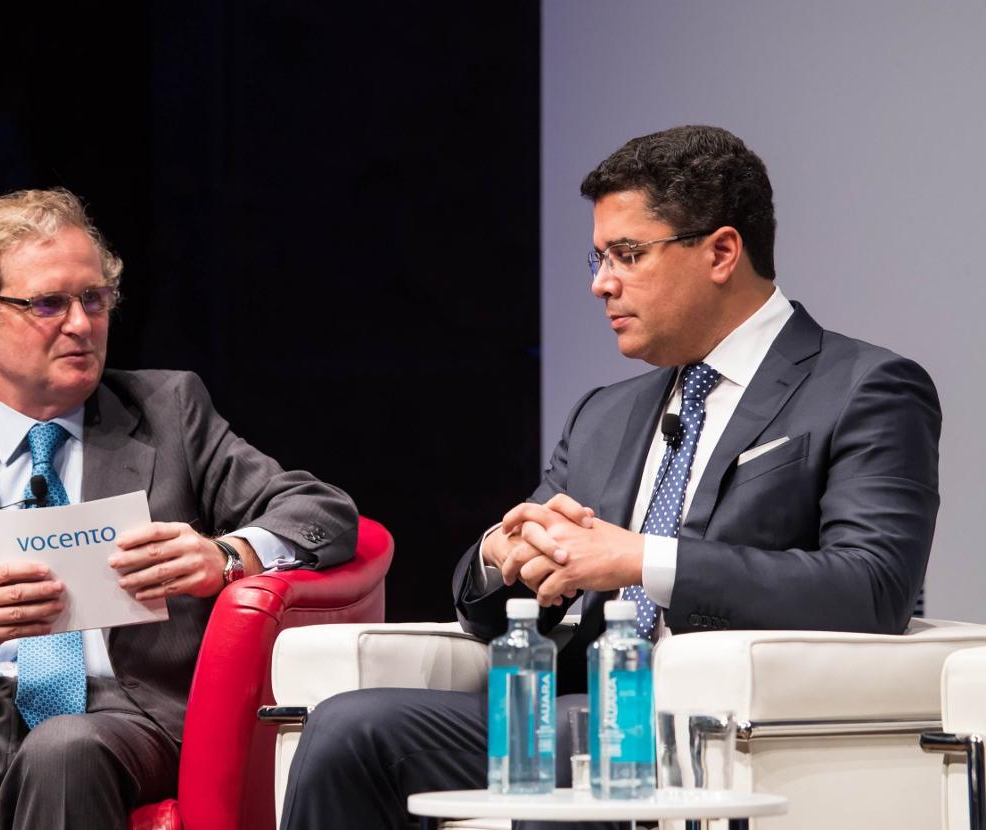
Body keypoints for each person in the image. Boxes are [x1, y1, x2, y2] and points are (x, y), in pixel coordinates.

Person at [279, 125, 940, 830]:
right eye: (597, 259)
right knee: (348, 731)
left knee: (559, 805)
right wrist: (501, 557)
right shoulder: (605, 414)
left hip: (707, 729)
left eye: (627, 255)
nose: (602, 284)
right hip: (571, 716)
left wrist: (640, 559)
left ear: (721, 252)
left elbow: (873, 586)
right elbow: (492, 600)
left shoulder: (864, 387)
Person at [0, 188, 358, 829]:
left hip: (126, 719)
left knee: (64, 750)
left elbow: (321, 511)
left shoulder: (169, 412)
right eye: (49, 303)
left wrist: (225, 557)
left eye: (94, 298)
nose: (81, 324)